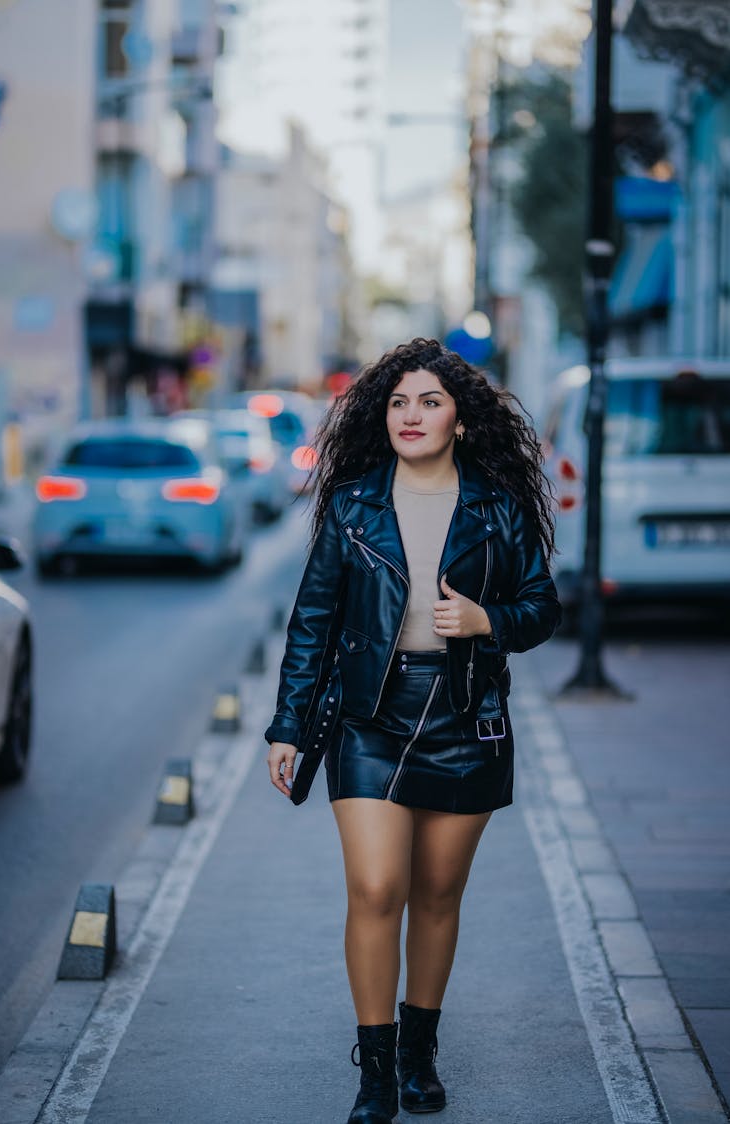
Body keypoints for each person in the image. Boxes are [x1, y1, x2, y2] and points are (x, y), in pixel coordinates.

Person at [265, 338, 561, 1123]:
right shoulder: (354, 503)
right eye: (399, 401)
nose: (412, 414)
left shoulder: (497, 505)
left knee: (436, 894)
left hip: (466, 719)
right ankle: (375, 1075)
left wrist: (485, 618)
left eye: (429, 401)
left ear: (461, 419)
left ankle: (420, 1055)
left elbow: (543, 607)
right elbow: (313, 623)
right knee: (375, 887)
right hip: (368, 717)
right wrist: (287, 725)